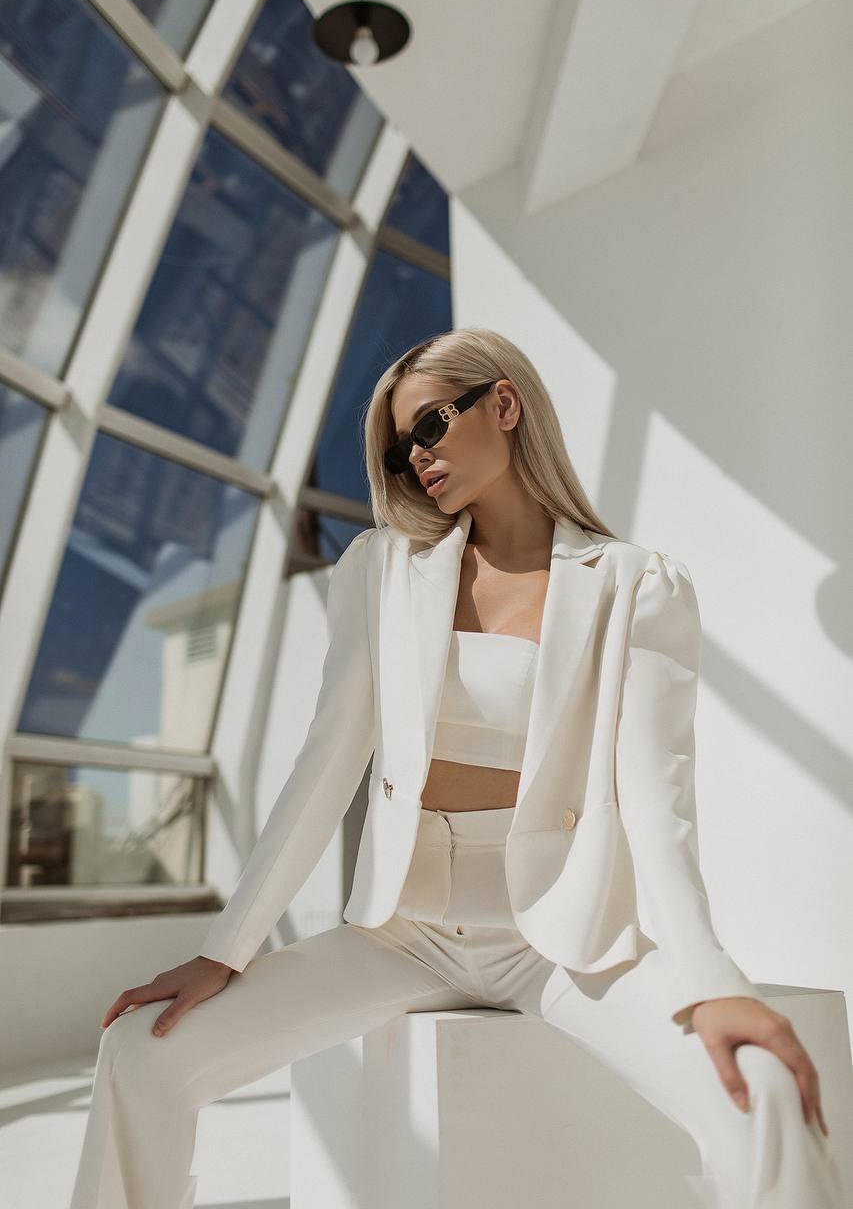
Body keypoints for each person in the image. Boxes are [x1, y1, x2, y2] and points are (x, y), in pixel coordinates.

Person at [70, 328, 847, 1209]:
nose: (416, 459)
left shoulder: (636, 584)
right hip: (401, 932)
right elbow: (323, 769)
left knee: (765, 1090)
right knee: (141, 1052)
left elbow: (656, 801)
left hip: (557, 939)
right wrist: (226, 950)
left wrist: (712, 984)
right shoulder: (380, 572)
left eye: (431, 425)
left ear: (503, 405)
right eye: (401, 449)